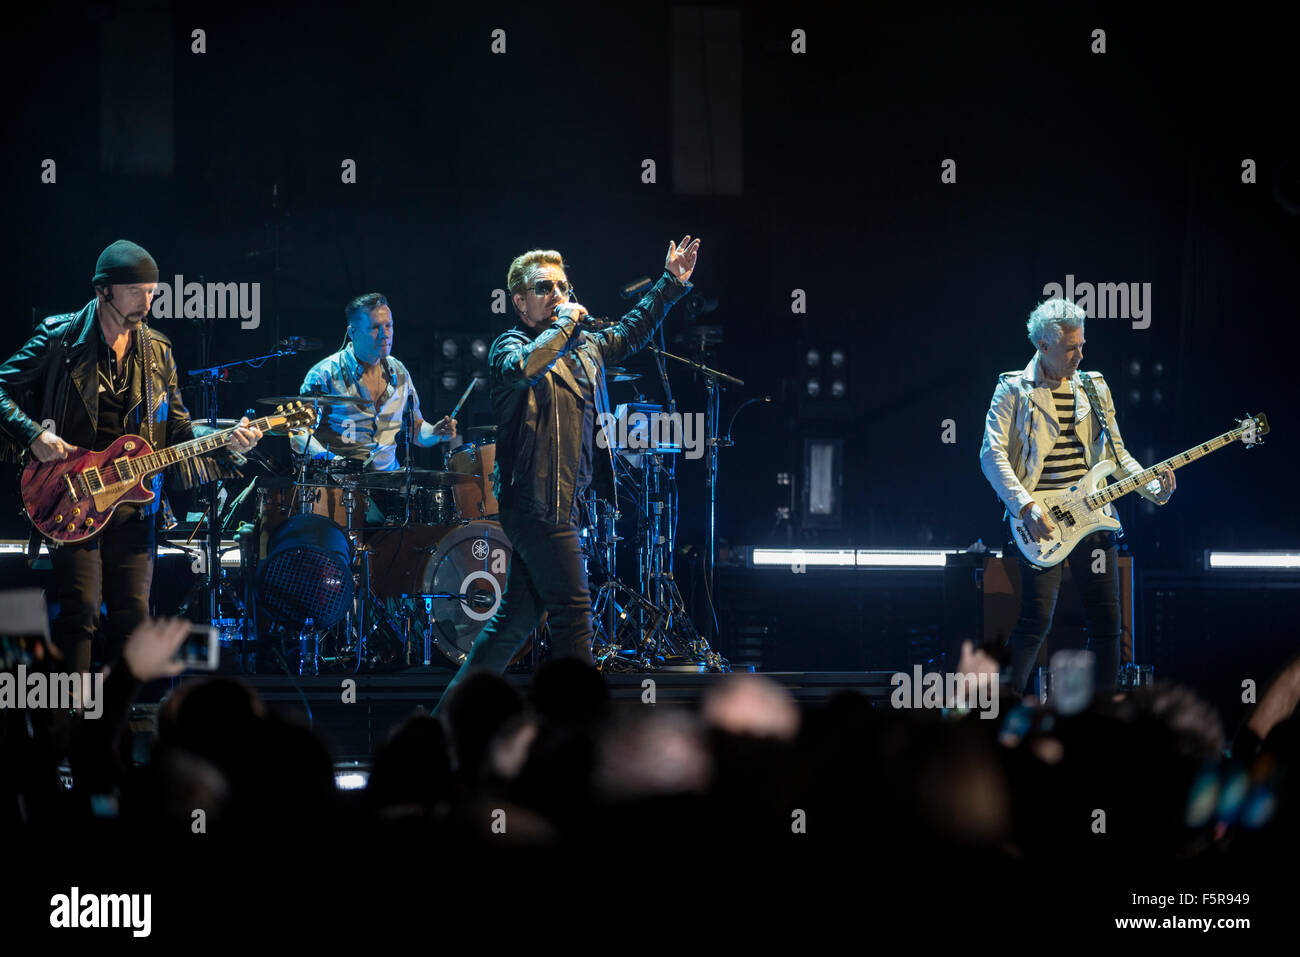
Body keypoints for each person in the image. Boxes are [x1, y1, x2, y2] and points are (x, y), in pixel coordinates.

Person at [433, 236, 700, 713]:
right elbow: (531, 368)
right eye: (544, 287)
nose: (558, 294)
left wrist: (670, 281)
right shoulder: (508, 347)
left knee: (511, 623)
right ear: (520, 301)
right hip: (534, 503)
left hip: (565, 504)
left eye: (563, 285)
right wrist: (565, 323)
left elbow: (631, 332)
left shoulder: (587, 347)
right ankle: (577, 735)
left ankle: (443, 724)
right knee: (575, 617)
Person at [0, 241, 262, 672]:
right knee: (81, 610)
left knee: (132, 620)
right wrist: (33, 436)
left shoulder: (157, 350)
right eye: (139, 292)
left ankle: (117, 724)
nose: (149, 302)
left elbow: (178, 431)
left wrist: (224, 439)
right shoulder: (59, 336)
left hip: (135, 504)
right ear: (104, 291)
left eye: (154, 292)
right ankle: (73, 714)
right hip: (72, 494)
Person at [979, 297, 1175, 694]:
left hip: (1093, 517)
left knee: (1107, 623)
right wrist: (1025, 505)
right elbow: (991, 454)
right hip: (1042, 519)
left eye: (1082, 345)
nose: (1080, 355)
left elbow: (1118, 457)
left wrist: (1153, 487)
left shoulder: (1094, 387)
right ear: (1043, 346)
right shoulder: (1014, 389)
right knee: (1037, 620)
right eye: (1071, 348)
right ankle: (1001, 712)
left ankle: (1098, 714)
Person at [291, 293, 457, 470]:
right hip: (340, 485)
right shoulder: (324, 374)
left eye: (389, 326)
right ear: (352, 332)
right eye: (375, 328)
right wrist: (334, 461)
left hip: (389, 485)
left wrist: (435, 432)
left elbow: (415, 428)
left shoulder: (400, 372)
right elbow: (299, 434)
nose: (385, 335)